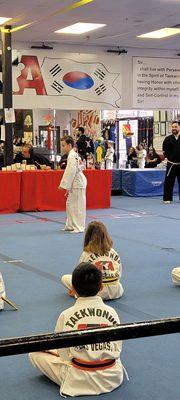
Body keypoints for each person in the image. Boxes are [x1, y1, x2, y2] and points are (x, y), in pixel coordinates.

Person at [29, 263, 124, 397]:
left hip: (79, 379)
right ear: (101, 287)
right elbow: (117, 348)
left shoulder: (66, 314)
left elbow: (63, 355)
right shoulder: (112, 312)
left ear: (73, 289)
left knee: (34, 353)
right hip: (112, 377)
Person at [61, 221, 124, 300]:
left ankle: (78, 292)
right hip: (116, 291)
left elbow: (79, 276)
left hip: (95, 292)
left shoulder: (87, 254)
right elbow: (119, 273)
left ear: (88, 236)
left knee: (64, 278)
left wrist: (75, 290)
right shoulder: (113, 252)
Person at [58, 136, 87, 233]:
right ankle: (70, 225)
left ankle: (79, 227)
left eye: (63, 145)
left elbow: (71, 171)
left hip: (77, 182)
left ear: (69, 145)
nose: (62, 148)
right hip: (74, 182)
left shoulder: (72, 155)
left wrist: (64, 184)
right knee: (70, 204)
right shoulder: (74, 155)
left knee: (77, 206)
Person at [162, 120, 180, 203]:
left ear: (179, 127)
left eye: (176, 127)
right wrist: (166, 158)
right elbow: (164, 151)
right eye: (173, 127)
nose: (174, 128)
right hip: (171, 164)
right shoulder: (167, 139)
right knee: (168, 182)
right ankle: (167, 198)